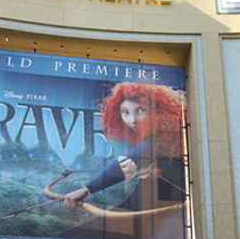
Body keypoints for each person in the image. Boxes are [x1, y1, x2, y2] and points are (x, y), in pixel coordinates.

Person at [63, 82, 186, 212]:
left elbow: (129, 162)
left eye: (141, 111)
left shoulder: (158, 136)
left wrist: (85, 190)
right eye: (125, 112)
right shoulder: (157, 137)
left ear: (158, 110)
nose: (132, 120)